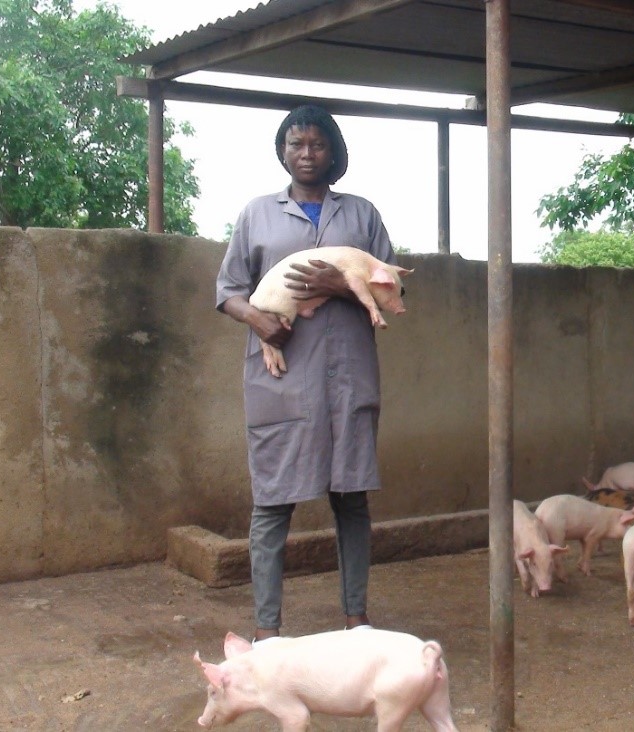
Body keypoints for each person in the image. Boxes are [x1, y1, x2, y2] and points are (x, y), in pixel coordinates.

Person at [215, 104, 397, 642]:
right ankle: (267, 631)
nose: (307, 154)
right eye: (296, 144)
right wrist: (258, 321)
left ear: (333, 151)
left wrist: (339, 285)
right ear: (282, 152)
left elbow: (392, 286)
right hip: (282, 375)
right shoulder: (257, 214)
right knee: (273, 502)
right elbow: (228, 291)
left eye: (317, 144)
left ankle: (357, 620)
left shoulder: (361, 214)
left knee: (352, 498)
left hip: (348, 377)